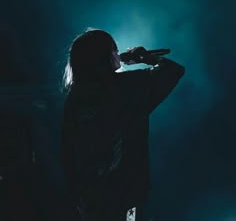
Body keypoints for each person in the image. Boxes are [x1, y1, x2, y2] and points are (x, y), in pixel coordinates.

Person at [61, 28, 185, 221]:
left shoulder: (75, 98)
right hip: (127, 196)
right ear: (105, 55)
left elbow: (67, 151)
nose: (118, 53)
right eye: (114, 49)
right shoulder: (129, 87)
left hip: (91, 199)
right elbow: (173, 70)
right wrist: (146, 58)